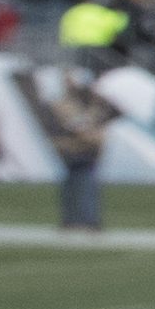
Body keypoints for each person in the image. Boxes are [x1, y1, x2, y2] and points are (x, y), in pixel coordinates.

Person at [42, 68, 116, 232]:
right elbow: (78, 127)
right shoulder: (67, 104)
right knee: (79, 186)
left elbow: (87, 126)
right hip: (76, 149)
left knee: (81, 186)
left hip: (84, 149)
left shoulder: (89, 103)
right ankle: (81, 220)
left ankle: (81, 220)